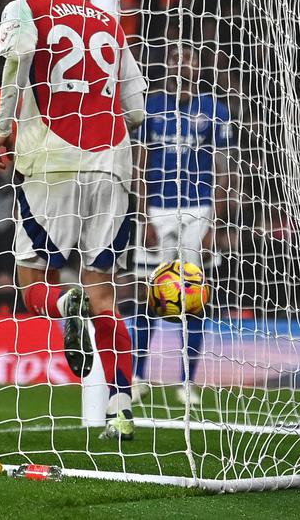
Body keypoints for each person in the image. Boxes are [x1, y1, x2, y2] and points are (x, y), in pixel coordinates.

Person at [0, 0, 148, 441]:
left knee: (32, 279)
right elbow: (137, 109)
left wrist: (2, 131)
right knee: (105, 294)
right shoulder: (109, 21)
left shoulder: (24, 9)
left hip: (51, 163)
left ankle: (62, 306)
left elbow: (15, 71)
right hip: (112, 166)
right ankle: (122, 407)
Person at [131, 44, 231, 406]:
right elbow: (139, 165)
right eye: (175, 58)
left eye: (188, 58)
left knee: (195, 298)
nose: (181, 64)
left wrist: (213, 225)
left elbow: (223, 172)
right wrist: (143, 216)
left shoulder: (214, 111)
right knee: (149, 296)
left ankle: (187, 381)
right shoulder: (151, 108)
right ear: (167, 64)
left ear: (197, 66)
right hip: (157, 210)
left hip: (198, 211)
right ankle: (139, 376)